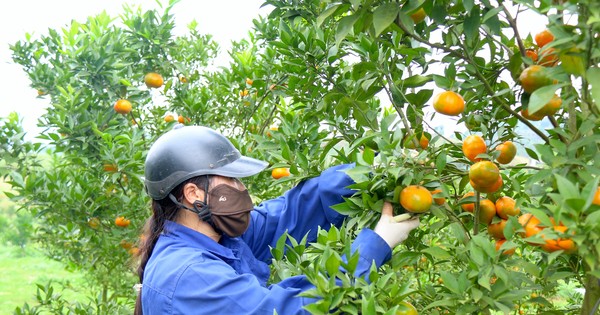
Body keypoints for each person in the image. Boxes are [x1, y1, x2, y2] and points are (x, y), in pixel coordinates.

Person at [134, 125, 420, 315]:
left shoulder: (219, 239)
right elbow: (289, 310)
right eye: (232, 180)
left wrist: (378, 172)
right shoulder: (189, 277)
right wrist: (375, 245)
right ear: (194, 193)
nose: (242, 189)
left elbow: (293, 212)